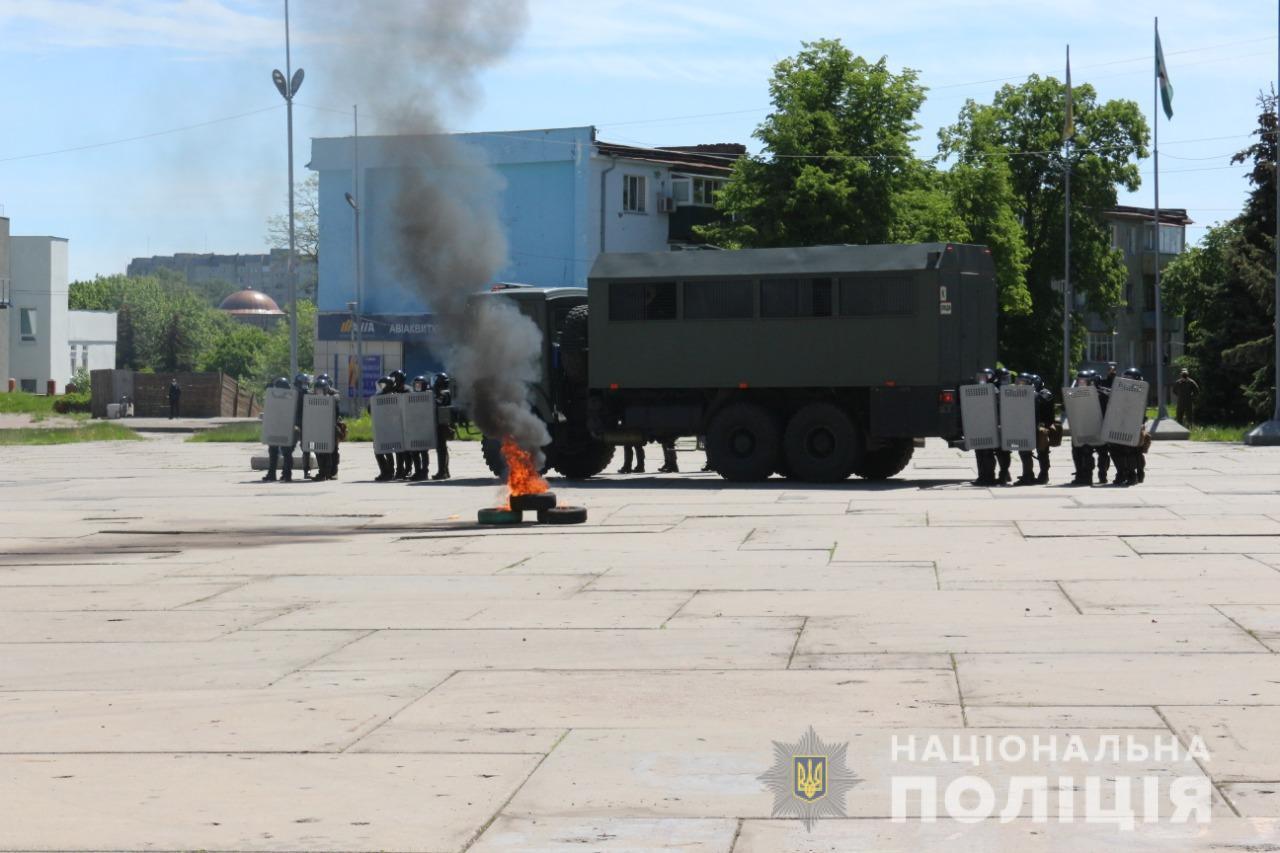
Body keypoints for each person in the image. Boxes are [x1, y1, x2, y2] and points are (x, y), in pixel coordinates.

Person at [1111, 367, 1148, 486]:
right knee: (1114, 448)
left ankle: (1133, 474)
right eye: (1125, 378)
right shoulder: (1119, 392)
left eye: (1129, 379)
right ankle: (1121, 472)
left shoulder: (1139, 392)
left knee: (1131, 450)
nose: (1127, 381)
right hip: (1120, 424)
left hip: (1135, 425)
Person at [1069, 370, 1099, 486]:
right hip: (1078, 427)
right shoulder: (1074, 394)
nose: (1081, 383)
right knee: (1076, 452)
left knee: (1087, 452)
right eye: (1079, 381)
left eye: (1083, 381)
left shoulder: (1096, 393)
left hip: (1090, 427)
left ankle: (1087, 477)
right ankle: (1079, 475)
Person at [263, 377, 295, 483]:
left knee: (286, 452)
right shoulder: (273, 397)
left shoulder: (291, 397)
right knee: (273, 451)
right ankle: (272, 474)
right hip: (275, 426)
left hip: (285, 427)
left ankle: (286, 474)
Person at [970, 368, 999, 486]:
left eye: (984, 376)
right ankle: (982, 476)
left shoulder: (994, 390)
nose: (981, 379)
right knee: (979, 452)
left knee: (987, 453)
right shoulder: (976, 390)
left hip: (989, 425)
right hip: (979, 425)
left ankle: (989, 476)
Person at [312, 374, 343, 481]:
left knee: (333, 450)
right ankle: (323, 471)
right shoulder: (314, 395)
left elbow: (336, 401)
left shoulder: (334, 395)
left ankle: (332, 472)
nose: (318, 390)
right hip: (317, 426)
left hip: (332, 425)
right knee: (317, 449)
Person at [372, 376, 396, 482]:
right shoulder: (379, 396)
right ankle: (385, 471)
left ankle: (389, 472)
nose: (380, 387)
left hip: (389, 427)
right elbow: (370, 409)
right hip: (380, 426)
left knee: (386, 450)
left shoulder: (392, 397)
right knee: (379, 450)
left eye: (382, 385)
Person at [408, 376, 431, 481]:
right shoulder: (412, 396)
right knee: (414, 451)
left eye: (419, 384)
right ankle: (417, 472)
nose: (417, 387)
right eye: (416, 384)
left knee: (423, 451)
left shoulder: (428, 396)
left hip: (425, 427)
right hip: (415, 427)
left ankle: (424, 472)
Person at [389, 370, 411, 480]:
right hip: (396, 423)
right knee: (398, 449)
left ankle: (407, 469)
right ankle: (399, 470)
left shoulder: (407, 390)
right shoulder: (393, 390)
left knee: (407, 449)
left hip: (407, 423)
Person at [431, 371, 452, 481]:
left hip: (442, 424)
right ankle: (445, 471)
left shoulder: (444, 393)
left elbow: (438, 403)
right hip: (441, 423)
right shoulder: (444, 392)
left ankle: (442, 472)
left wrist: (431, 398)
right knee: (442, 448)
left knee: (441, 448)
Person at [292, 373, 313, 480]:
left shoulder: (309, 394)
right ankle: (286, 471)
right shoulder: (293, 395)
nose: (304, 386)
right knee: (289, 448)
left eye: (305, 383)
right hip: (295, 423)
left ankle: (306, 470)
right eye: (302, 383)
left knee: (307, 448)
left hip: (306, 423)